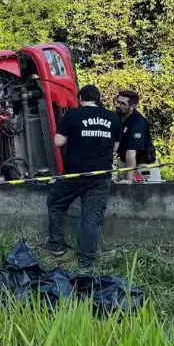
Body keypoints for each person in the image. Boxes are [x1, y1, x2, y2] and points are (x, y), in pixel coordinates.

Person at [45, 85, 121, 267]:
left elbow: (58, 141)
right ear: (98, 98)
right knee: (92, 218)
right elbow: (116, 147)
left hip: (75, 173)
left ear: (80, 99)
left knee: (56, 203)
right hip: (101, 175)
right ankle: (86, 261)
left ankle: (56, 245)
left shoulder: (73, 115)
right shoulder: (113, 117)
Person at [114, 89, 160, 183]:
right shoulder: (116, 117)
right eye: (117, 101)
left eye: (123, 103)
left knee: (148, 195)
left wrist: (128, 179)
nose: (118, 105)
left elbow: (131, 152)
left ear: (133, 106)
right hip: (124, 162)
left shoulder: (138, 123)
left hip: (143, 165)